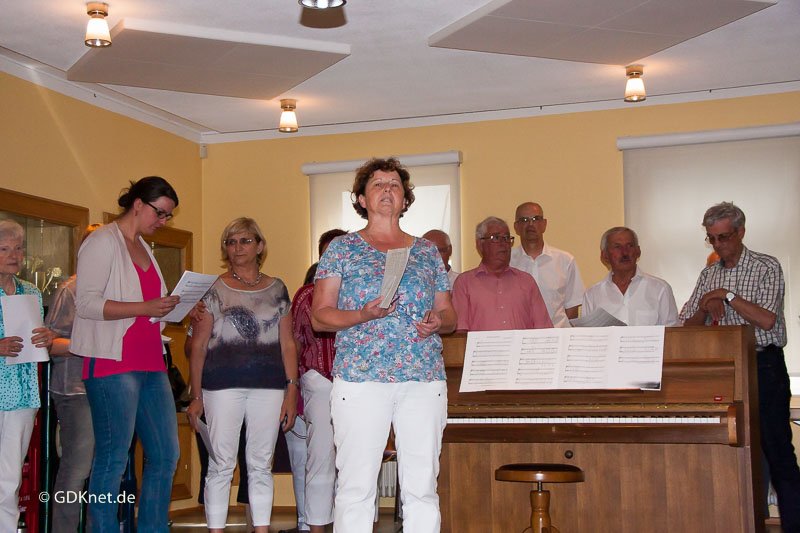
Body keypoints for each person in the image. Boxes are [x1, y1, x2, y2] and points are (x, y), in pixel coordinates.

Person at [312, 157, 456, 533]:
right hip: (360, 379)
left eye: (395, 185)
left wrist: (438, 322)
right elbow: (319, 316)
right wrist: (362, 314)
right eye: (378, 184)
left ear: (405, 199)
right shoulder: (341, 249)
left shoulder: (427, 252)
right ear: (361, 199)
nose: (387, 190)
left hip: (422, 377)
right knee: (356, 487)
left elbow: (450, 315)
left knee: (422, 487)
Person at [680, 201, 800, 532]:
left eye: (724, 237)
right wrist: (706, 305)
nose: (718, 245)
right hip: (723, 369)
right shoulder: (708, 274)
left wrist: (727, 295)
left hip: (763, 366)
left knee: (777, 452)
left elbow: (767, 319)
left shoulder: (766, 266)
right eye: (712, 238)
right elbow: (688, 326)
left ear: (741, 232)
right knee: (731, 454)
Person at [71, 176, 181, 532]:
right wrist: (145, 306)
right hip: (112, 362)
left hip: (150, 361)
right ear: (137, 204)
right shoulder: (102, 241)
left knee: (166, 454)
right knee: (113, 458)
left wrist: (173, 307)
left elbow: (149, 307)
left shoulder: (144, 247)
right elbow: (86, 304)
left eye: (167, 216)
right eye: (160, 213)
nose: (163, 221)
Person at [187, 217, 299, 533]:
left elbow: (288, 343)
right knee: (221, 464)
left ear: (260, 246)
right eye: (231, 242)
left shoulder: (277, 288)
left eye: (245, 241)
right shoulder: (213, 288)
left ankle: (261, 529)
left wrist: (292, 389)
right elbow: (198, 346)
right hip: (221, 386)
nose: (238, 248)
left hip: (269, 386)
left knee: (261, 464)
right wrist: (196, 396)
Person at [285, 228, 346, 533]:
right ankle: (317, 528)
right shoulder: (307, 294)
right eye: (327, 252)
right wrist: (292, 388)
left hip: (357, 382)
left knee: (360, 459)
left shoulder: (363, 291)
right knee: (321, 457)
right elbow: (294, 343)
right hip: (319, 379)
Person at [45, 223, 101, 533]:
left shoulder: (118, 292)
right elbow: (49, 343)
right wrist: (92, 345)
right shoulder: (71, 290)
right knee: (76, 469)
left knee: (105, 470)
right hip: (75, 390)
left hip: (109, 386)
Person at [0, 219, 54, 530]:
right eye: (4, 249)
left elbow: (38, 337)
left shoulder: (31, 291)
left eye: (18, 248)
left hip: (22, 394)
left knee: (10, 480)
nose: (14, 255)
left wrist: (47, 337)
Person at [452, 216, 552, 332]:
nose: (503, 243)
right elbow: (460, 332)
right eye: (496, 238)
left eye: (506, 238)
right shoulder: (464, 283)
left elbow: (544, 330)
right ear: (480, 244)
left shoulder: (527, 282)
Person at [581, 226, 679, 326]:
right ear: (605, 255)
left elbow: (673, 332)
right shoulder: (592, 296)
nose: (625, 252)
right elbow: (586, 334)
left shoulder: (660, 289)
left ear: (638, 251)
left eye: (630, 246)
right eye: (617, 247)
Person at [510, 202, 584, 327]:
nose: (530, 224)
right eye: (524, 220)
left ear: (544, 224)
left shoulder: (565, 261)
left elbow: (572, 309)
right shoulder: (507, 262)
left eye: (536, 219)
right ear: (516, 227)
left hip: (557, 335)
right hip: (520, 336)